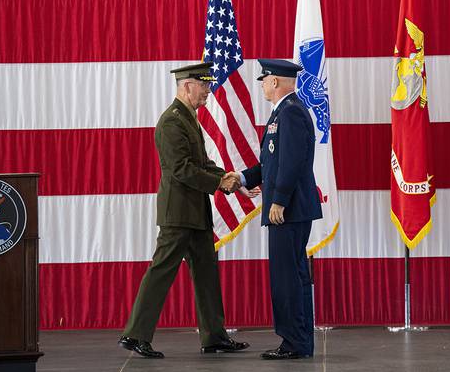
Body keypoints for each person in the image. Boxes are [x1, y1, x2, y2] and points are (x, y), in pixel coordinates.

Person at [118, 62, 249, 358]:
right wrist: (221, 183)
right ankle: (135, 335)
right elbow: (181, 170)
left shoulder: (189, 119)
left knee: (206, 272)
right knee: (162, 270)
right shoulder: (171, 121)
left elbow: (201, 163)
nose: (207, 90)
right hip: (178, 213)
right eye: (203, 85)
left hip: (194, 212)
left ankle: (214, 337)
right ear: (187, 85)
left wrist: (234, 180)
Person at [237, 59, 323, 360]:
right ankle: (297, 341)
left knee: (288, 278)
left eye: (263, 80)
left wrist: (279, 199)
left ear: (274, 81)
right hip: (288, 207)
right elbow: (272, 163)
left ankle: (294, 343)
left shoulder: (291, 112)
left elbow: (293, 161)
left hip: (288, 209)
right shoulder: (282, 113)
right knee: (291, 275)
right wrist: (243, 178)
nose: (261, 85)